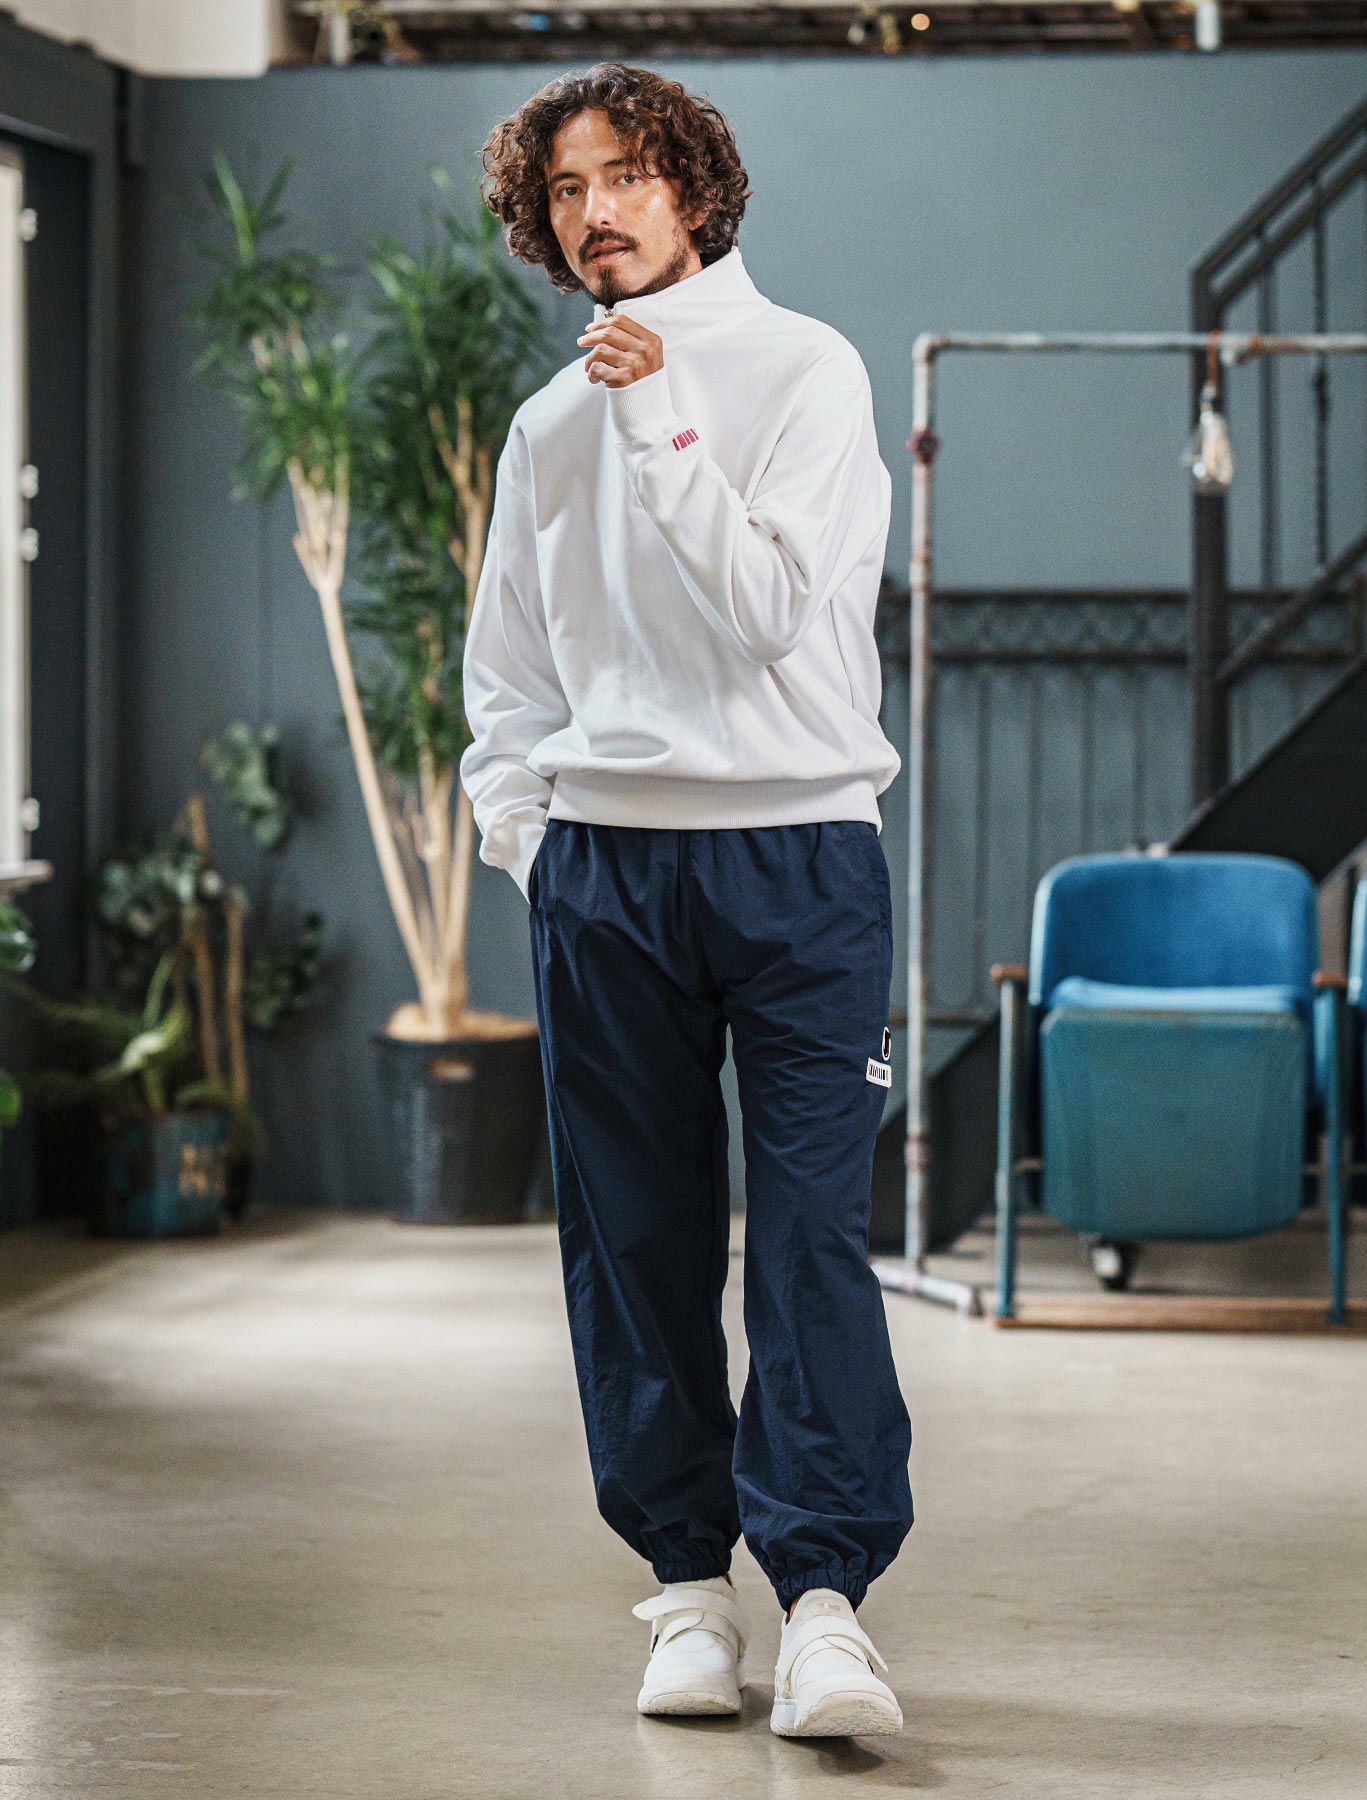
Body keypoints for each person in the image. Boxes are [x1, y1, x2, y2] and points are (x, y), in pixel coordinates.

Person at [461, 61, 913, 1739]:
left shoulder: (808, 371)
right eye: (567, 188)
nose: (598, 212)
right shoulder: (540, 428)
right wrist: (537, 842)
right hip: (606, 876)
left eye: (628, 175)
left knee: (809, 1240)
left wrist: (657, 419)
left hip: (800, 857)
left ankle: (825, 1606)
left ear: (697, 190)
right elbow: (506, 682)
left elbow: (775, 614)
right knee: (633, 1243)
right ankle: (687, 1593)